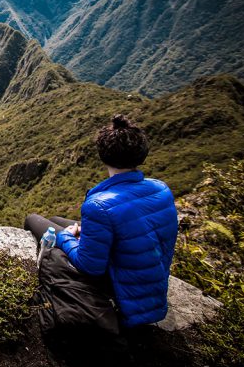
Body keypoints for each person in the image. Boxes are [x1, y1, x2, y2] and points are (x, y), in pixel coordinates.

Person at [24, 114, 178, 327]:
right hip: (148, 281)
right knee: (54, 219)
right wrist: (85, 234)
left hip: (122, 292)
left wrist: (67, 237)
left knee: (33, 220)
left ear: (103, 155)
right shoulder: (161, 189)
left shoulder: (98, 206)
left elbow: (90, 266)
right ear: (141, 155)